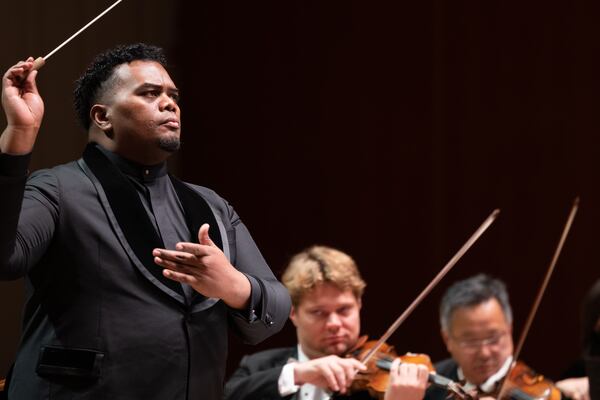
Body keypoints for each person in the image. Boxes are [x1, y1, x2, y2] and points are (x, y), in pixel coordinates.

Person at [0, 43, 291, 399]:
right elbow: (4, 257)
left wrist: (232, 285)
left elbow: (277, 302)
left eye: (173, 95)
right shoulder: (57, 189)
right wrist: (19, 135)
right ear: (102, 117)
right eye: (150, 93)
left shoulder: (209, 203)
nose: (169, 103)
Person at [224, 245, 429, 400]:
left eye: (344, 310)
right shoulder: (259, 367)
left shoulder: (392, 385)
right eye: (319, 312)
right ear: (292, 312)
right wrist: (299, 373)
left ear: (359, 303)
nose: (334, 323)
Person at [426, 274, 586, 400]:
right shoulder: (428, 385)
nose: (484, 353)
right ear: (447, 339)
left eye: (493, 338)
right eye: (471, 341)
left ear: (509, 330)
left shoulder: (544, 394)